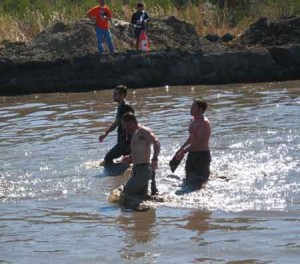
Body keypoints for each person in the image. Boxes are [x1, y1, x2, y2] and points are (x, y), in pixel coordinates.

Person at [121, 112, 160, 206]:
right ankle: (143, 217)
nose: (124, 128)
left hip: (143, 171)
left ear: (131, 122)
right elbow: (141, 150)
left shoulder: (143, 131)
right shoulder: (135, 134)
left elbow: (157, 142)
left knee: (126, 193)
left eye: (125, 125)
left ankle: (127, 216)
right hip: (137, 170)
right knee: (141, 198)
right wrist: (130, 157)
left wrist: (155, 159)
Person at [174, 99, 211, 191]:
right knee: (188, 180)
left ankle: (203, 198)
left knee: (199, 182)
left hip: (202, 155)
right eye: (191, 106)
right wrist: (181, 148)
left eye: (193, 107)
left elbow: (198, 142)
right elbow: (191, 138)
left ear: (201, 109)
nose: (191, 109)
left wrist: (183, 151)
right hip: (192, 154)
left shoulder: (204, 123)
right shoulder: (193, 120)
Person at [99, 85, 134, 164]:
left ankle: (113, 174)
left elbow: (118, 123)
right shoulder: (121, 106)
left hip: (125, 140)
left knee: (108, 158)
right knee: (127, 161)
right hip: (125, 139)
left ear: (122, 95)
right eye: (113, 93)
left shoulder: (125, 107)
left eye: (116, 94)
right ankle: (125, 175)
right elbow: (117, 122)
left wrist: (106, 133)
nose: (113, 96)